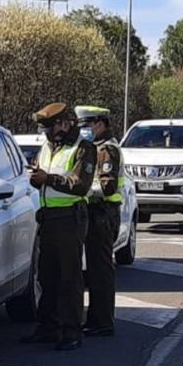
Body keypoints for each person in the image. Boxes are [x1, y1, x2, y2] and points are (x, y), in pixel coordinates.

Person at [23, 102, 97, 351]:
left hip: (70, 219)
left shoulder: (83, 148)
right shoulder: (47, 146)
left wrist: (48, 179)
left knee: (70, 277)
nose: (46, 134)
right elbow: (42, 176)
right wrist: (36, 179)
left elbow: (80, 184)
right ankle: (48, 327)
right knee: (47, 276)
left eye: (50, 128)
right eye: (44, 130)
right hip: (48, 218)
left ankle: (71, 331)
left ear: (64, 123)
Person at [75, 105, 124, 337]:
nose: (84, 130)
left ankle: (102, 321)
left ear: (100, 124)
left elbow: (107, 187)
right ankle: (95, 319)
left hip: (103, 214)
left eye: (87, 125)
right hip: (97, 213)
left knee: (100, 270)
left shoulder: (107, 150)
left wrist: (82, 190)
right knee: (95, 270)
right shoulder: (95, 148)